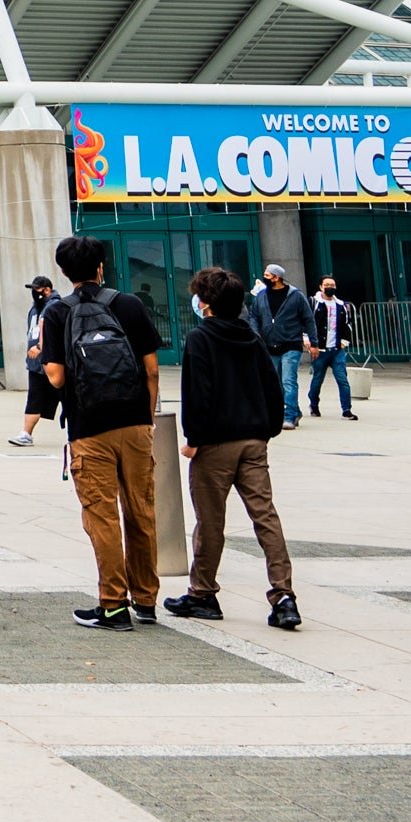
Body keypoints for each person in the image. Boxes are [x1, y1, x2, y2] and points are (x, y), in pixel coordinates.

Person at [165, 265, 301, 630]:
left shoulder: (200, 338)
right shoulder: (251, 337)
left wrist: (194, 439)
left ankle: (203, 593)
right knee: (265, 517)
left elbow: (197, 395)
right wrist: (269, 428)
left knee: (210, 522)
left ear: (205, 302)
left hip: (215, 444)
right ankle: (284, 595)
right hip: (254, 441)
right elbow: (272, 387)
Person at [44, 235, 164, 629]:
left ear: (64, 272)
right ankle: (145, 600)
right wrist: (146, 417)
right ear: (101, 267)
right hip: (135, 424)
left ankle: (113, 605)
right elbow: (151, 370)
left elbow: (56, 377)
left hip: (89, 428)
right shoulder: (128, 304)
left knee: (103, 517)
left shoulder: (57, 312)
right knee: (141, 511)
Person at [248, 264, 311, 427]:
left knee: (288, 380)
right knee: (274, 382)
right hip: (270, 344)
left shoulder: (295, 295)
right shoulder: (261, 296)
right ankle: (293, 410)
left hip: (291, 344)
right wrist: (256, 333)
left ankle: (289, 416)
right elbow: (254, 315)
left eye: (268, 275)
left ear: (277, 277)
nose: (265, 278)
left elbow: (308, 318)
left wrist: (314, 342)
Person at [5, 277, 59, 448]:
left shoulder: (56, 306)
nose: (34, 293)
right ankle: (26, 434)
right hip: (36, 364)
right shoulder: (35, 309)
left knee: (68, 397)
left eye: (38, 289)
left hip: (54, 362)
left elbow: (52, 331)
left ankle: (82, 432)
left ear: (47, 290)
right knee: (34, 398)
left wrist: (40, 347)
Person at [303, 276, 358, 418]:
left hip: (336, 350)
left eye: (332, 284)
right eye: (327, 284)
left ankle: (346, 409)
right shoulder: (314, 302)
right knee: (317, 379)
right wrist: (307, 339)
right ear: (321, 287)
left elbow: (347, 324)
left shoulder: (341, 305)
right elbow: (306, 321)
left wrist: (345, 341)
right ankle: (314, 404)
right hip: (320, 349)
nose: (330, 287)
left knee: (342, 379)